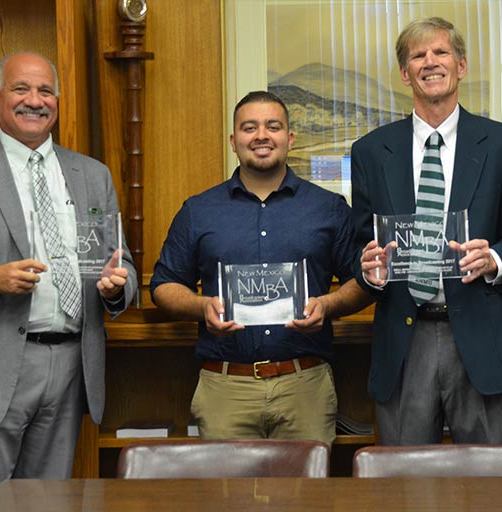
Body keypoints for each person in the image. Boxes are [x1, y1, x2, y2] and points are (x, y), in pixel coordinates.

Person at [0, 52, 137, 511]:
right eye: (21, 89)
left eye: (46, 91)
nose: (35, 101)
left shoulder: (92, 174)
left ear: (57, 101)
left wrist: (118, 285)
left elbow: (117, 261)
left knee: (47, 504)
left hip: (70, 366)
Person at [350, 17, 502, 445]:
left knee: (490, 485)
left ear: (461, 66)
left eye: (440, 53)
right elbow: (358, 245)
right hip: (404, 338)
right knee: (403, 488)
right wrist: (368, 269)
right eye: (418, 55)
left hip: (480, 336)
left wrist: (494, 259)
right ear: (405, 73)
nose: (430, 62)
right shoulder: (370, 152)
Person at [150, 91, 370, 447]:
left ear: (289, 138)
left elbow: (361, 281)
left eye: (273, 126)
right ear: (234, 142)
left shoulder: (328, 208)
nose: (262, 136)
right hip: (225, 388)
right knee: (228, 501)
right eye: (249, 128)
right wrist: (202, 306)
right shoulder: (199, 210)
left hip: (305, 386)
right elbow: (163, 285)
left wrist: (327, 306)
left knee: (306, 500)